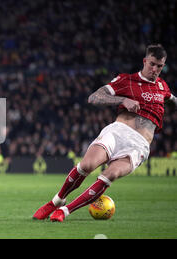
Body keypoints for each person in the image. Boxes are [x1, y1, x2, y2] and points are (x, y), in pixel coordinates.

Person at [33, 44, 176, 222]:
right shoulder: (127, 80)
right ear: (145, 61)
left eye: (159, 66)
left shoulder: (163, 87)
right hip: (118, 132)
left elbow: (172, 100)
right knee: (86, 166)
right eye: (152, 64)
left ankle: (65, 211)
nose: (155, 69)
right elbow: (94, 97)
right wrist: (123, 99)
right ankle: (56, 201)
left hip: (139, 145)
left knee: (111, 175)